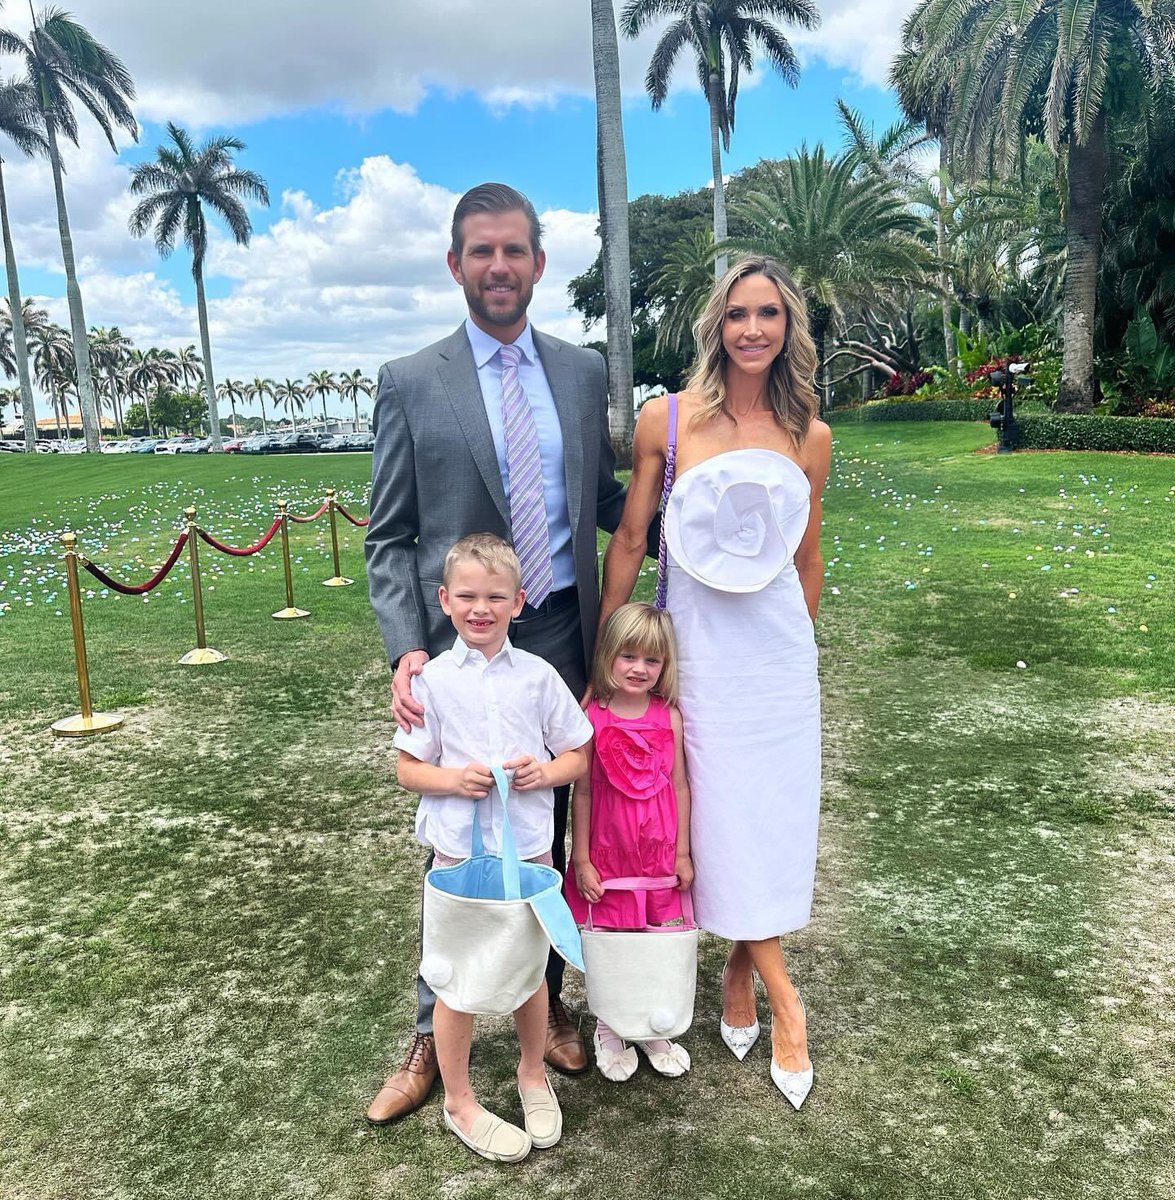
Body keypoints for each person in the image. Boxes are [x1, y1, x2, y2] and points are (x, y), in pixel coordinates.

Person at [364, 182, 631, 1124]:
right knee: (453, 843)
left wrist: (696, 498)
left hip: (558, 631)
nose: (498, 268)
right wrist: (407, 645)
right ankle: (429, 1028)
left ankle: (544, 1007)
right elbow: (389, 536)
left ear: (538, 263)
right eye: (480, 252)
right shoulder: (410, 379)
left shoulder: (583, 373)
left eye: (513, 251)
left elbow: (604, 501)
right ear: (455, 264)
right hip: (454, 648)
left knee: (540, 834)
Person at [595, 256, 831, 1110]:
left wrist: (791, 647)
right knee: (711, 813)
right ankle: (785, 999)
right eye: (738, 314)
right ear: (715, 326)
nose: (753, 329)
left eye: (769, 313)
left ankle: (741, 966)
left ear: (788, 327)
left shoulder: (810, 435)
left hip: (771, 662)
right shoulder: (667, 420)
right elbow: (629, 539)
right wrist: (605, 649)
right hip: (694, 654)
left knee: (765, 818)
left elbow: (802, 559)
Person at [393, 534, 592, 1161]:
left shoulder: (539, 677)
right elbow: (408, 768)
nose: (482, 608)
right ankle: (459, 1099)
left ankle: (530, 1074)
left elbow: (579, 754)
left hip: (529, 852)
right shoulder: (431, 683)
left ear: (519, 601)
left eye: (496, 597)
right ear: (445, 600)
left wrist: (545, 773)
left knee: (530, 975)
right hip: (458, 856)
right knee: (458, 979)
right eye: (469, 596)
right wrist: (452, 779)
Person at [567, 602, 694, 1082]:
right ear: (608, 656)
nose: (639, 669)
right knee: (614, 940)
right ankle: (610, 1023)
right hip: (610, 853)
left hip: (658, 855)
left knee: (657, 939)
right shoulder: (592, 718)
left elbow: (680, 785)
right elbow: (585, 791)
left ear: (665, 665)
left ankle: (651, 1022)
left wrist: (682, 851)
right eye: (628, 657)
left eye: (652, 660)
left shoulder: (670, 718)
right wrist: (582, 859)